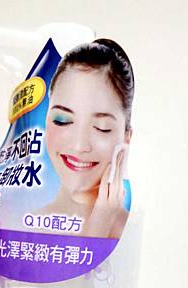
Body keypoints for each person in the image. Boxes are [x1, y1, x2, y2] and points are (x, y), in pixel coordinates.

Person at [43, 38, 134, 239]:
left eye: (102, 128)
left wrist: (102, 222)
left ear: (126, 138)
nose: (79, 146)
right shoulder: (15, 223)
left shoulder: (130, 231)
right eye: (62, 120)